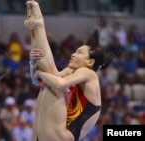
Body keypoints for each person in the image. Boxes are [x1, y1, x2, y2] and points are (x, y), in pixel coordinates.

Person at [24, 1, 120, 141]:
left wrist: (39, 73)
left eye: (79, 53)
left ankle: (38, 25)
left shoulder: (89, 74)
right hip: (51, 133)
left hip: (64, 136)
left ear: (90, 62)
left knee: (52, 86)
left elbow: (57, 83)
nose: (73, 55)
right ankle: (34, 28)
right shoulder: (73, 72)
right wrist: (33, 64)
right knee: (47, 85)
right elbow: (40, 80)